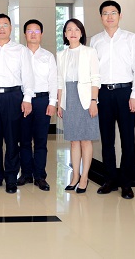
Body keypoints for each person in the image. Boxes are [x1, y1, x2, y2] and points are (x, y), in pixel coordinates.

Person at [89, 0, 135, 199]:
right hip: (103, 93)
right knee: (107, 140)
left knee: (128, 140)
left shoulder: (131, 38)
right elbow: (92, 72)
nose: (109, 16)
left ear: (120, 15)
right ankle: (110, 179)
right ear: (101, 17)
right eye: (105, 13)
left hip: (125, 92)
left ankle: (127, 183)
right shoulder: (95, 40)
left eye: (113, 13)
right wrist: (94, 98)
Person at [0, 14, 34, 194]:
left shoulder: (20, 50)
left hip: (13, 97)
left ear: (11, 28)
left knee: (13, 140)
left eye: (5, 25)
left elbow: (28, 76)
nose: (1, 29)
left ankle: (11, 178)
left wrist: (27, 99)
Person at [56, 18, 100, 194]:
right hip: (69, 98)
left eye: (76, 29)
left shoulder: (90, 52)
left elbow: (96, 78)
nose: (73, 32)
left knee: (86, 140)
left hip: (86, 99)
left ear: (81, 33)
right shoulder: (61, 55)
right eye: (69, 29)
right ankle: (75, 176)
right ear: (65, 34)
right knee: (74, 140)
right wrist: (60, 103)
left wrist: (93, 101)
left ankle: (84, 177)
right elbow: (59, 81)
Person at [19, 19, 56, 191]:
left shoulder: (48, 56)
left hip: (42, 101)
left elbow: (53, 81)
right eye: (29, 31)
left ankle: (40, 176)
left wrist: (52, 102)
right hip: (23, 101)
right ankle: (26, 174)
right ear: (24, 34)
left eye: (36, 31)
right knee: (24, 140)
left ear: (41, 34)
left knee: (41, 141)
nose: (33, 34)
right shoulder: (19, 54)